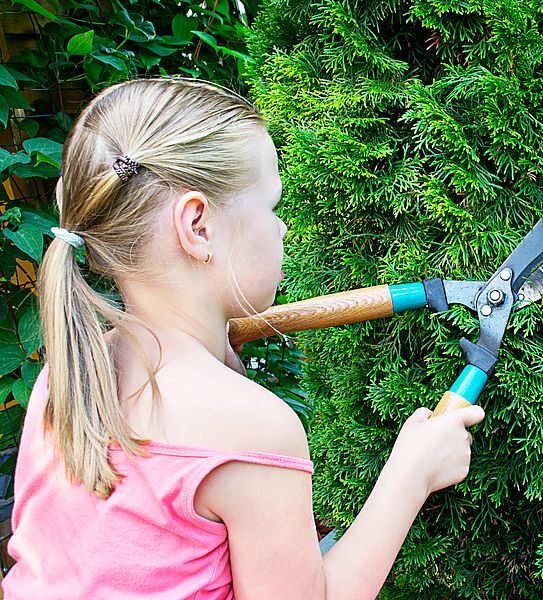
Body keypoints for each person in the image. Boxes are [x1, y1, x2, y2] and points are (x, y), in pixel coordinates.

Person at [1, 77, 485, 599]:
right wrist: (412, 474)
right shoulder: (253, 428)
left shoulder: (70, 373)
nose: (281, 230)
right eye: (272, 207)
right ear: (198, 226)